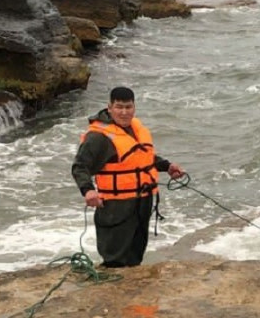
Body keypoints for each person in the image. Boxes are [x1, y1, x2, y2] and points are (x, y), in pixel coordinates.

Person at [71, 86, 185, 267]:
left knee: (135, 256)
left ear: (134, 107)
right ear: (109, 108)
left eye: (128, 107)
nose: (124, 112)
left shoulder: (135, 128)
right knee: (115, 259)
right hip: (117, 207)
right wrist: (88, 191)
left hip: (142, 203)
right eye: (119, 107)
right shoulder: (99, 137)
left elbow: (141, 157)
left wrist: (167, 166)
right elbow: (80, 166)